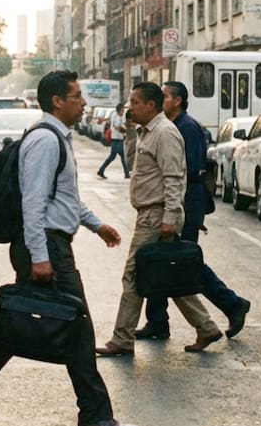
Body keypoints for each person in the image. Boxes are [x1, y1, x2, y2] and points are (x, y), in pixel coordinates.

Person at [0, 70, 139, 426]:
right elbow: (34, 203)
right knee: (79, 326)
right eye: (76, 95)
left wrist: (95, 225)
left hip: (47, 244)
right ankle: (95, 414)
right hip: (46, 248)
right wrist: (41, 256)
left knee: (13, 331)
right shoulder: (45, 141)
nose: (83, 101)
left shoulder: (56, 138)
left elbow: (65, 199)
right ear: (57, 101)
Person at [96, 82, 226, 357]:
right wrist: (130, 132)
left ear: (151, 105)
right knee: (167, 274)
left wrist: (169, 216)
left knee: (133, 274)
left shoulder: (166, 133)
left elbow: (174, 178)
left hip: (157, 214)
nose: (130, 107)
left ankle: (122, 339)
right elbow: (133, 165)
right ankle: (206, 327)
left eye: (135, 102)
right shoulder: (147, 132)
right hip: (149, 213)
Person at [134, 82, 251, 342]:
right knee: (160, 259)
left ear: (177, 101)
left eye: (164, 96)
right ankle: (157, 321)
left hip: (187, 200)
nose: (160, 100)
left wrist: (172, 212)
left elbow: (182, 173)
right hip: (178, 201)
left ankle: (232, 304)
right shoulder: (169, 126)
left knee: (183, 263)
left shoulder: (186, 128)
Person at [96, 102, 129, 179]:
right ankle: (126, 173)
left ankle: (101, 170)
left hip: (120, 138)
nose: (122, 112)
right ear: (118, 111)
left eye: (123, 110)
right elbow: (114, 124)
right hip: (115, 138)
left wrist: (124, 129)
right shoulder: (114, 115)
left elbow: (124, 123)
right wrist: (121, 129)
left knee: (118, 156)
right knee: (115, 156)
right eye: (121, 111)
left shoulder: (123, 115)